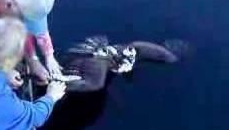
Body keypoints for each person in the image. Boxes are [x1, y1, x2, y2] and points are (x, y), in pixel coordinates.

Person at [41, 36, 188, 130]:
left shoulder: (125, 52)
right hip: (88, 71)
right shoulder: (98, 72)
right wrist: (54, 86)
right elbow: (93, 83)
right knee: (95, 85)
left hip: (85, 65)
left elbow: (138, 48)